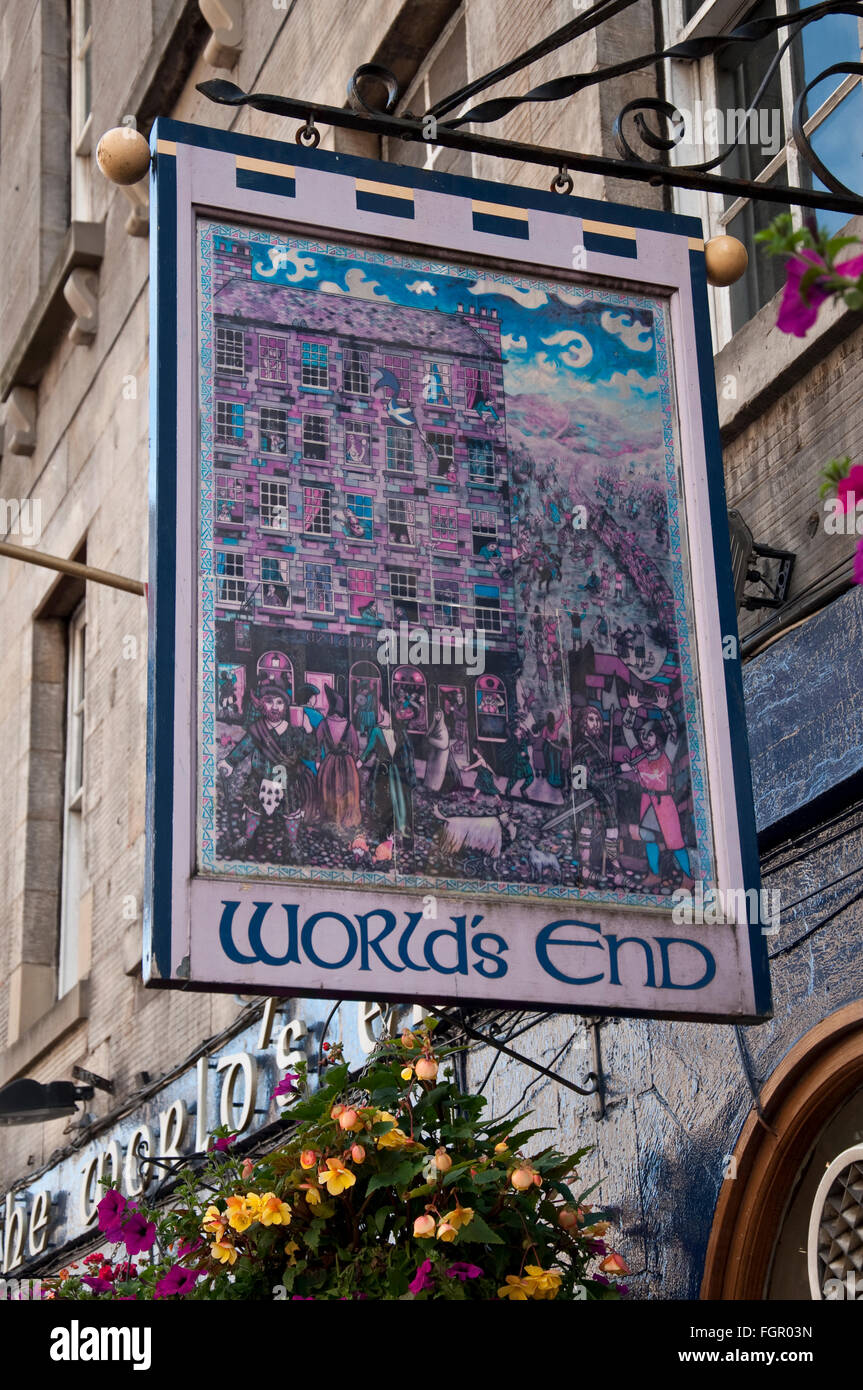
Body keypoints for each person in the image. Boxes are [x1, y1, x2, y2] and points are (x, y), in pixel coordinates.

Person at [217, 682, 318, 846]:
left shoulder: (294, 731)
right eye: (270, 701)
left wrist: (308, 730)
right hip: (259, 778)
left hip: (288, 781)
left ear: (285, 706)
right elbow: (244, 748)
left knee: (290, 810)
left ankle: (293, 841)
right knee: (253, 807)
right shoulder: (257, 729)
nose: (275, 707)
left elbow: (310, 753)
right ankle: (248, 836)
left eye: (279, 702)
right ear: (263, 704)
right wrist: (229, 762)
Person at [621, 687, 693, 889]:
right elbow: (627, 730)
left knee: (675, 842)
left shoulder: (666, 754)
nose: (644, 738)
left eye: (649, 735)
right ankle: (655, 874)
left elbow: (673, 731)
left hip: (664, 802)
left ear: (657, 738)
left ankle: (688, 877)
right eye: (643, 735)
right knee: (648, 838)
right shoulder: (638, 753)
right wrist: (632, 709)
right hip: (647, 801)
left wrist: (665, 710)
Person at [571, 704, 624, 886]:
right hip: (590, 798)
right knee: (586, 832)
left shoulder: (599, 745)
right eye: (591, 719)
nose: (595, 723)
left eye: (597, 720)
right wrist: (618, 769)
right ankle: (585, 870)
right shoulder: (583, 748)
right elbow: (592, 776)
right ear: (584, 723)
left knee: (612, 832)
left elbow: (603, 772)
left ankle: (616, 870)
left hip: (605, 798)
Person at [358, 705, 417, 847]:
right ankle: (405, 839)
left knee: (384, 804)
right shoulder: (399, 729)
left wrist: (358, 763)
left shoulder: (378, 731)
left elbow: (368, 752)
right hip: (398, 773)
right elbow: (408, 754)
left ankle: (386, 838)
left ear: (382, 709)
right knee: (400, 804)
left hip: (383, 773)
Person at [318, 687, 361, 828]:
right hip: (346, 763)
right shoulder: (348, 725)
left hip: (329, 762)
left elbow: (316, 742)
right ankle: (344, 818)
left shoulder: (324, 723)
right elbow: (354, 746)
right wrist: (355, 760)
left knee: (330, 787)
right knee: (345, 788)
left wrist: (318, 760)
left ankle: (331, 818)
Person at [423, 708, 463, 794]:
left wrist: (431, 740)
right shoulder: (434, 726)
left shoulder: (443, 729)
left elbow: (444, 744)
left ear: (442, 716)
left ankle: (451, 793)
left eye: (439, 714)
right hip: (436, 756)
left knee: (448, 773)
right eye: (436, 714)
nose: (437, 716)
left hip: (443, 757)